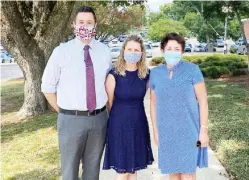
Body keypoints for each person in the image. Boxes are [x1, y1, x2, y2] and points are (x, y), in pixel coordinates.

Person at [41, 6, 111, 180]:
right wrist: (64, 112)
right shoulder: (61, 52)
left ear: (95, 25)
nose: (85, 26)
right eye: (81, 22)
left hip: (99, 119)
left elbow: (108, 84)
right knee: (69, 171)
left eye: (89, 23)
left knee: (92, 170)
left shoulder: (104, 51)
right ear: (73, 24)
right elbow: (47, 87)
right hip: (70, 120)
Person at [149, 33, 209, 180]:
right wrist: (156, 131)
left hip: (189, 132)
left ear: (182, 51)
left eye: (177, 48)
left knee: (188, 174)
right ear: (162, 50)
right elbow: (153, 103)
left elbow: (203, 101)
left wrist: (204, 130)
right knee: (173, 174)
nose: (173, 51)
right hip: (167, 132)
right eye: (169, 48)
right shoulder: (155, 73)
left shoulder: (193, 70)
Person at [103, 35, 154, 180]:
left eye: (136, 50)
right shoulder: (114, 74)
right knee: (122, 171)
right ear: (123, 50)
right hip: (119, 125)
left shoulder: (145, 74)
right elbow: (110, 103)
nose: (133, 52)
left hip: (139, 124)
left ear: (142, 52)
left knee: (134, 170)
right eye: (129, 49)